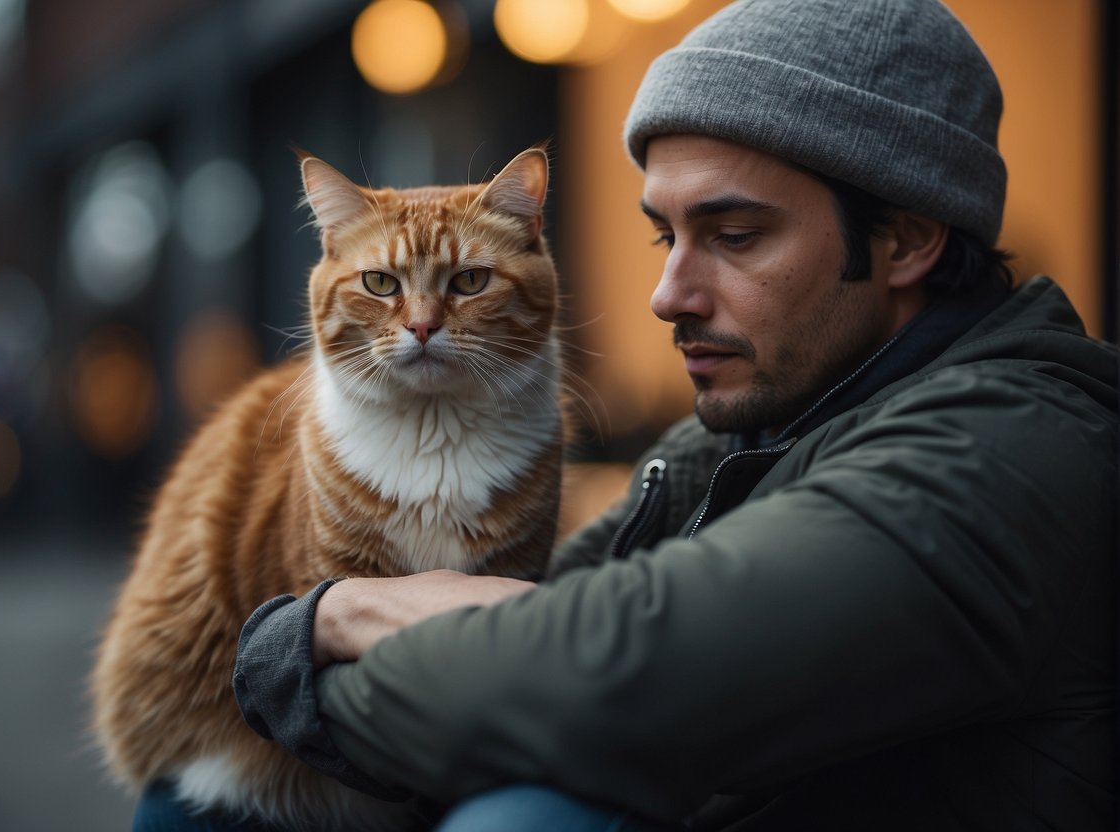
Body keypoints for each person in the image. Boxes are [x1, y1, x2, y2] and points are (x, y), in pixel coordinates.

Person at [149, 0, 1118, 829]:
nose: (666, 294)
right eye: (665, 235)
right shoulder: (752, 431)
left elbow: (607, 672)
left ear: (904, 238)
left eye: (733, 236)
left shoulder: (1010, 453)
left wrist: (320, 626)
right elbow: (561, 623)